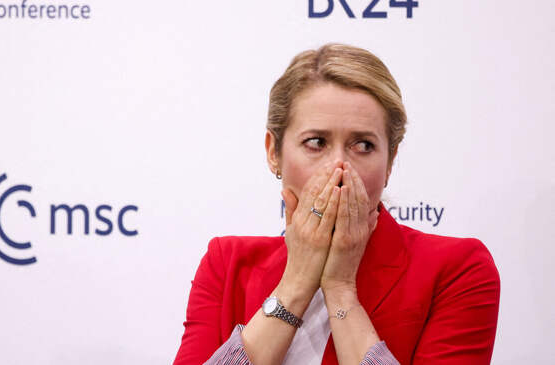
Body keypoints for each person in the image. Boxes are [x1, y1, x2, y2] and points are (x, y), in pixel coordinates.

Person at [173, 44, 500, 364]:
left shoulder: (457, 270)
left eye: (363, 145)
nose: (339, 168)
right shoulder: (227, 264)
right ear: (274, 152)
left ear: (390, 161)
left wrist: (341, 291)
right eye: (316, 142)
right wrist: (295, 283)